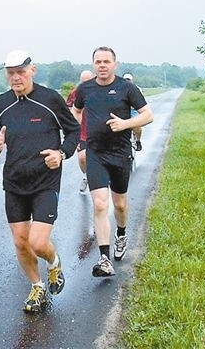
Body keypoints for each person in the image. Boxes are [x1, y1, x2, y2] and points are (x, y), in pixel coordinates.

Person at [0, 50, 80, 313]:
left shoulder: (50, 99)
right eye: (10, 73)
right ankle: (37, 285)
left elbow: (73, 131)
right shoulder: (1, 103)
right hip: (14, 181)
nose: (15, 77)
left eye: (20, 72)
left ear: (32, 70)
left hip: (45, 180)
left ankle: (53, 262)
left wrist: (61, 153)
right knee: (20, 242)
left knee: (38, 243)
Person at [71, 47, 153, 278]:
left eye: (107, 61)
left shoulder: (127, 88)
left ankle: (122, 233)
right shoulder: (84, 89)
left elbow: (148, 115)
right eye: (98, 61)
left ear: (115, 64)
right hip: (95, 152)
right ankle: (104, 258)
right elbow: (76, 113)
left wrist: (125, 124)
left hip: (120, 153)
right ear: (93, 64)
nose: (102, 65)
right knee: (99, 204)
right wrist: (75, 133)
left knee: (119, 205)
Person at [66, 70, 95, 194]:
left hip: (99, 131)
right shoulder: (75, 93)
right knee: (82, 158)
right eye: (83, 82)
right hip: (82, 131)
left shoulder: (100, 91)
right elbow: (69, 111)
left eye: (88, 81)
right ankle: (86, 176)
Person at [122, 73, 143, 151]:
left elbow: (141, 103)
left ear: (132, 81)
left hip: (134, 110)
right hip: (123, 111)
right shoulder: (119, 89)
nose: (127, 81)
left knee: (137, 125)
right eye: (126, 80)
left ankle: (138, 141)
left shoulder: (137, 89)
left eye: (129, 80)